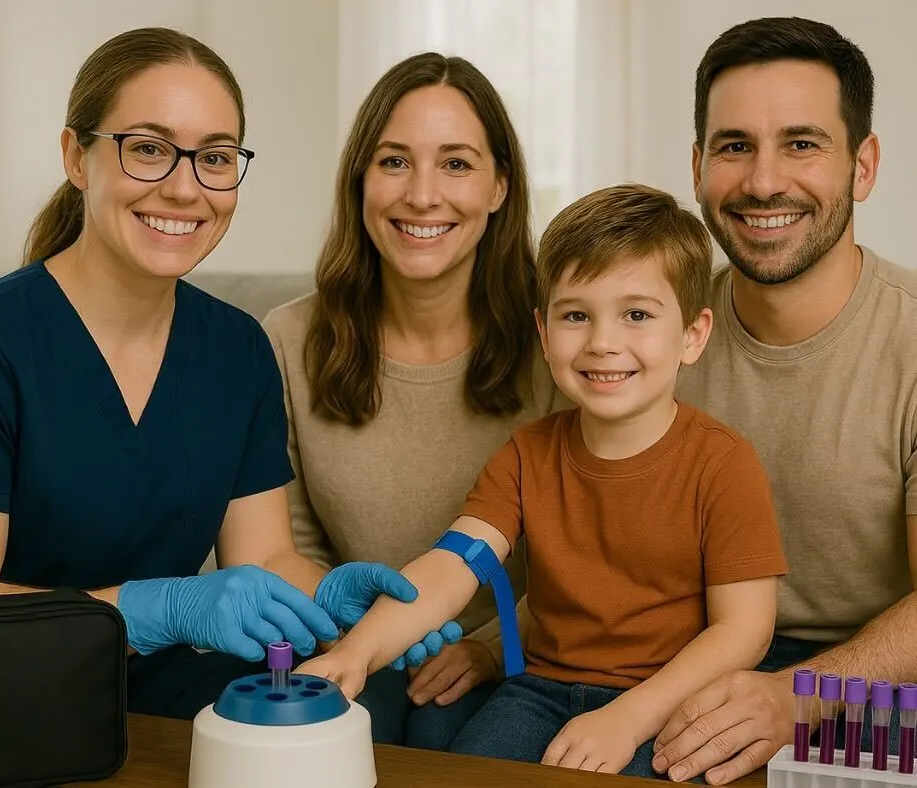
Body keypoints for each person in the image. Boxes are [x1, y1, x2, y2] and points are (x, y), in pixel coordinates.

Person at [0, 27, 438, 720]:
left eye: (215, 158)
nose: (185, 189)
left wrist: (342, 603)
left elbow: (267, 556)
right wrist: (144, 608)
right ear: (77, 156)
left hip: (154, 690)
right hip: (7, 693)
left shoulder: (236, 349)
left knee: (358, 704)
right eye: (149, 150)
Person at [296, 183, 789, 776]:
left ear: (692, 334)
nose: (603, 343)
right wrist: (356, 652)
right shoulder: (527, 454)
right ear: (543, 331)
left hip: (666, 704)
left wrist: (630, 718)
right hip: (539, 690)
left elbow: (746, 631)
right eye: (576, 315)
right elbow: (454, 565)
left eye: (636, 315)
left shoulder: (723, 463)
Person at [262, 52, 562, 748]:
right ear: (359, 179)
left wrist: (491, 646)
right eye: (394, 161)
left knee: (437, 729)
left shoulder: (561, 337)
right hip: (353, 644)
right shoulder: (287, 339)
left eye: (456, 163)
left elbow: (594, 550)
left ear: (499, 188)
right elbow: (291, 548)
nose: (422, 195)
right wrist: (369, 642)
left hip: (525, 656)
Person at [652, 17, 917, 785]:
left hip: (881, 681)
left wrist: (800, 699)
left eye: (802, 144)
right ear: (699, 166)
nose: (764, 182)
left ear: (862, 166)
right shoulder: (648, 338)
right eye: (735, 146)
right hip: (691, 656)